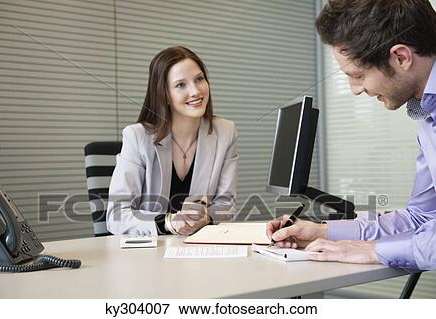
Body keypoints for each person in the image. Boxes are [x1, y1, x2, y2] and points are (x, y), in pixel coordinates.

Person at [267, 0, 436, 270]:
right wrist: (322, 232)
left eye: (357, 75)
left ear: (401, 57)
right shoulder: (427, 114)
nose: (355, 89)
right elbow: (421, 216)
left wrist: (374, 250)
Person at [107, 46, 237, 236]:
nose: (195, 91)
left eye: (199, 79)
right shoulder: (136, 137)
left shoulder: (225, 132)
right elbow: (116, 215)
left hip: (198, 253)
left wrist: (206, 217)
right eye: (180, 85)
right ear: (164, 94)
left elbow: (226, 205)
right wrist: (168, 222)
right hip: (149, 253)